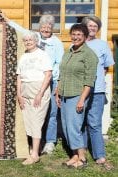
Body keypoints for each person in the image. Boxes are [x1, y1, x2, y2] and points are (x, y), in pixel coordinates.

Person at [56, 23, 98, 168]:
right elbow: (62, 74)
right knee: (67, 127)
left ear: (85, 36)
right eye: (74, 34)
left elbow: (89, 81)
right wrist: (57, 93)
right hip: (64, 95)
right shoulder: (69, 51)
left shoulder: (89, 55)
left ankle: (82, 158)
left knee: (74, 127)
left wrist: (81, 100)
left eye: (79, 34)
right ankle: (74, 155)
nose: (76, 37)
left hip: (76, 96)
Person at [81, 16, 115, 170]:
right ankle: (81, 153)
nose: (93, 28)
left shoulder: (102, 45)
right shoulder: (78, 44)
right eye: (90, 25)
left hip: (97, 91)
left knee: (94, 123)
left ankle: (99, 155)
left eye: (96, 26)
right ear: (84, 27)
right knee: (80, 123)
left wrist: (98, 78)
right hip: (79, 90)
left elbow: (107, 66)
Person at [17, 31, 52, 165]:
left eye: (30, 40)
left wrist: (40, 93)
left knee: (36, 121)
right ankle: (32, 149)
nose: (28, 42)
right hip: (25, 89)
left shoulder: (43, 55)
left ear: (36, 41)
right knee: (28, 121)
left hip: (38, 89)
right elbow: (19, 76)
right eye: (25, 40)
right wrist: (19, 94)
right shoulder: (23, 57)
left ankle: (35, 155)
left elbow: (48, 75)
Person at [37, 15, 64, 155]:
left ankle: (50, 141)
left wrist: (57, 82)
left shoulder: (57, 43)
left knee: (52, 112)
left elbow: (60, 63)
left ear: (52, 28)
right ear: (39, 27)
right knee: (37, 111)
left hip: (51, 81)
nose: (46, 29)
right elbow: (22, 31)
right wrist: (8, 21)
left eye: (49, 27)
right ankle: (37, 140)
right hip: (35, 81)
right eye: (43, 27)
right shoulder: (35, 38)